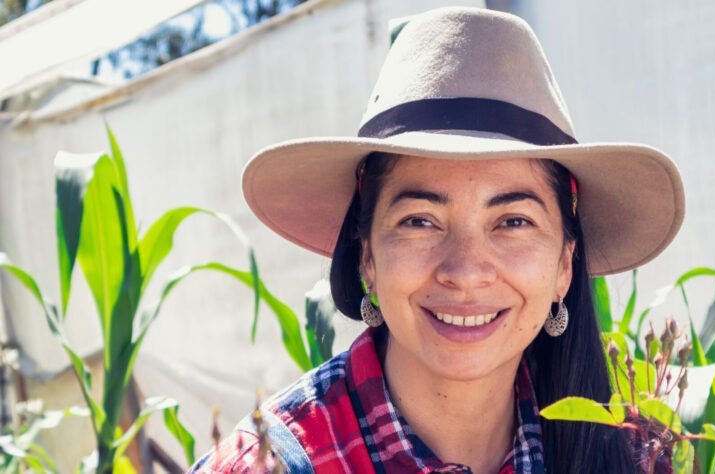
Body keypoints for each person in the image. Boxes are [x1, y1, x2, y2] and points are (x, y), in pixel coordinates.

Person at [189, 6, 684, 474]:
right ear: (367, 258)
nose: (466, 271)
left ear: (563, 267)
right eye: (420, 221)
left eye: (513, 222)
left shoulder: (632, 451)